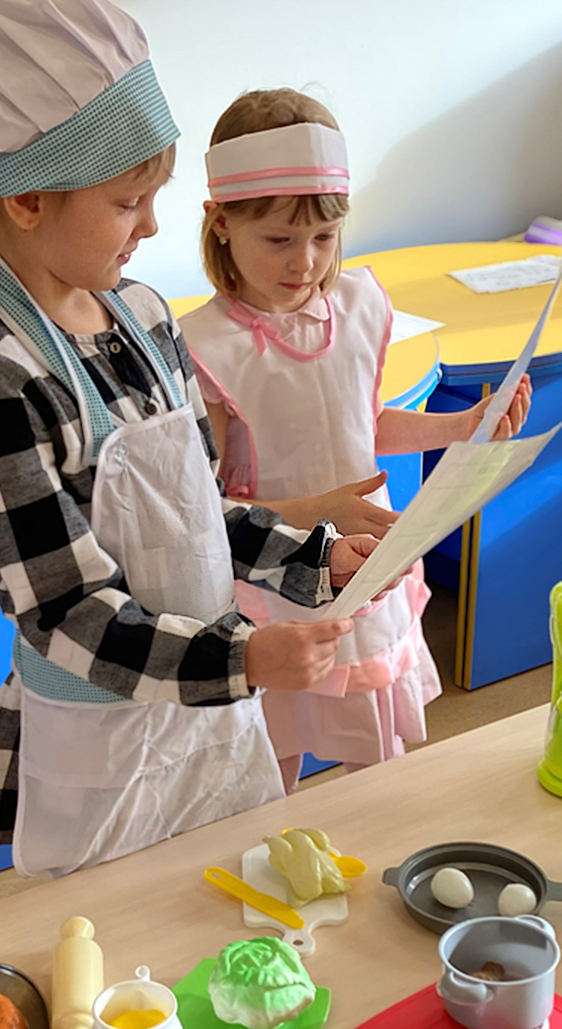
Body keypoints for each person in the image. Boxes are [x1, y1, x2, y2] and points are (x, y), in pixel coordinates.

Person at [0, 4, 381, 878]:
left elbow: (197, 514)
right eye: (127, 201)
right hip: (104, 742)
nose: (150, 227)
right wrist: (245, 656)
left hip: (212, 707)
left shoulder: (142, 315)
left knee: (233, 911)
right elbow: (66, 611)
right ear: (29, 199)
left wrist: (315, 557)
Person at [180, 89, 531, 792]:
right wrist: (315, 513)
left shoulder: (361, 303)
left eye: (324, 237)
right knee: (269, 758)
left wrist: (461, 429)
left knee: (375, 756)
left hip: (368, 565)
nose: (305, 262)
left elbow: (361, 423)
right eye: (279, 240)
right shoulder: (206, 346)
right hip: (272, 579)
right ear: (220, 223)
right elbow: (207, 505)